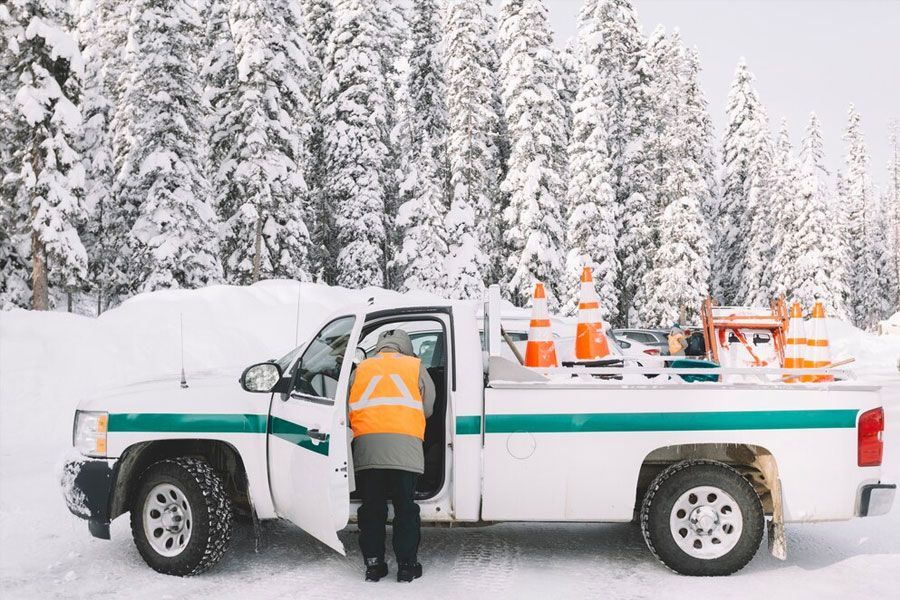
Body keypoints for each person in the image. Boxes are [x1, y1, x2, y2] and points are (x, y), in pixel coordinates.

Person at [348, 329, 436, 583]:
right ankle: (407, 566)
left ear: (380, 346)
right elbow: (428, 408)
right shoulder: (415, 366)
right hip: (405, 449)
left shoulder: (361, 369)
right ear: (405, 347)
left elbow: (348, 407)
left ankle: (374, 565)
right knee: (405, 508)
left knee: (372, 508)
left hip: (367, 448)